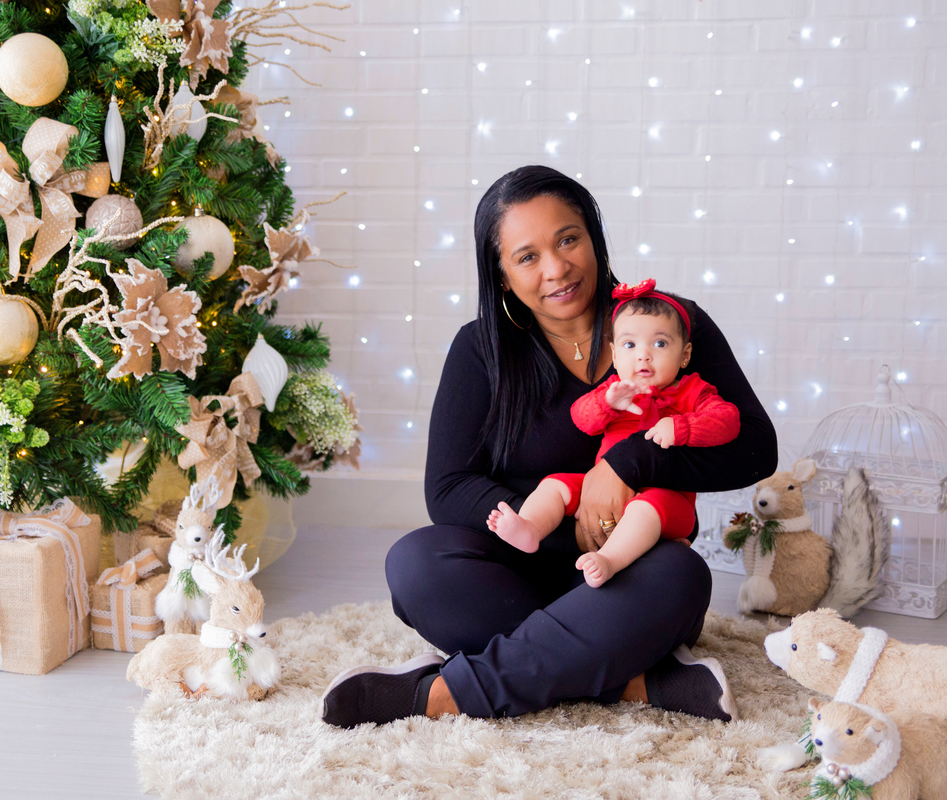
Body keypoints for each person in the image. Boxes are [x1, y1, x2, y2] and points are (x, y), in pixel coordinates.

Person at [320, 165, 777, 729]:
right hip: (519, 573)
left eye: (568, 239)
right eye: (527, 256)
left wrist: (628, 463)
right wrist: (563, 527)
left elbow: (756, 448)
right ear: (502, 273)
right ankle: (627, 677)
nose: (557, 269)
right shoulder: (479, 350)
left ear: (594, 237)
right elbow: (448, 489)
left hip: (627, 571)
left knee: (680, 576)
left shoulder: (665, 325)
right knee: (416, 564)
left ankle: (441, 695)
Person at [487, 278, 741, 589]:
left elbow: (728, 421)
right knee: (555, 485)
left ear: (684, 355)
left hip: (668, 500)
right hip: (600, 492)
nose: (643, 356)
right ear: (615, 355)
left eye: (659, 344)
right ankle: (530, 528)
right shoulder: (617, 390)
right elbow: (581, 419)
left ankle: (610, 559)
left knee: (646, 508)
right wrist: (607, 403)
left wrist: (681, 427)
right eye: (630, 345)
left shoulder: (693, 391)